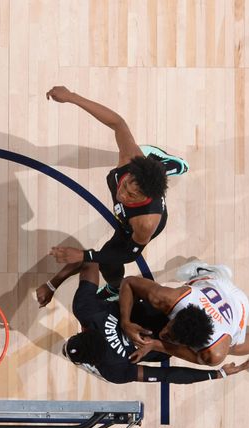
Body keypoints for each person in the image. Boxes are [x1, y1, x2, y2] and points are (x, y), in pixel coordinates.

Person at [45, 85, 188, 300]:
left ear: (145, 197)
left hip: (131, 230)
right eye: (125, 185)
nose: (123, 194)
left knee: (109, 262)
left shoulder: (146, 222)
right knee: (139, 154)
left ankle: (170, 165)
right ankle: (168, 164)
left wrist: (84, 255)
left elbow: (130, 253)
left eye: (132, 195)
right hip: (141, 171)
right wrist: (72, 97)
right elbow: (118, 123)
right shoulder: (131, 160)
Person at [36, 260, 249, 384]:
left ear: (95, 361)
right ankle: (211, 279)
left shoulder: (114, 370)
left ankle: (209, 277)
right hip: (174, 321)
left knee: (224, 349)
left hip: (176, 328)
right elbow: (90, 264)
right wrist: (52, 285)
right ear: (82, 331)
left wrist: (218, 373)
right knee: (219, 347)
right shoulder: (85, 310)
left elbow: (167, 375)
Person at [117, 261, 249, 375]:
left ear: (193, 344)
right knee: (190, 282)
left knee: (234, 347)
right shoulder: (170, 298)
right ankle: (210, 272)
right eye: (168, 329)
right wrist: (125, 322)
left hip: (238, 305)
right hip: (214, 285)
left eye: (172, 338)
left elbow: (197, 359)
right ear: (177, 315)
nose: (164, 334)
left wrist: (156, 344)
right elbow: (129, 282)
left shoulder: (214, 351)